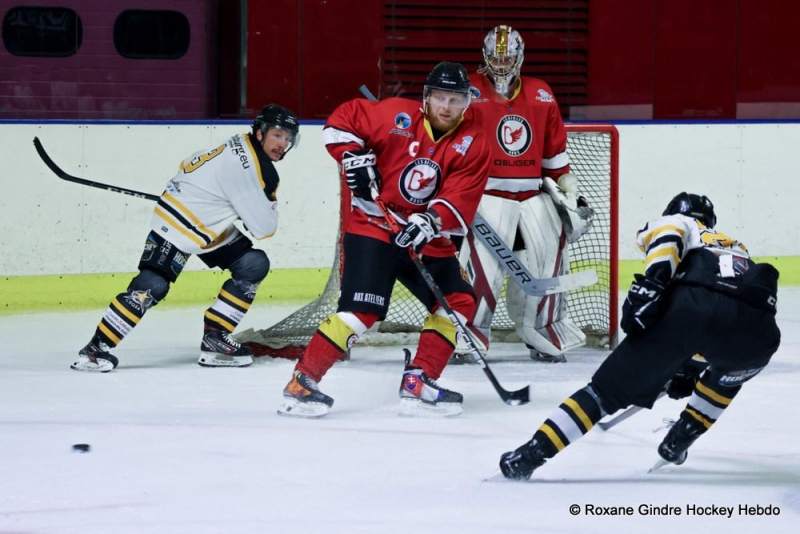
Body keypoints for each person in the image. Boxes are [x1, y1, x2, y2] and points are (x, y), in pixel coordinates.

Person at [499, 192, 781, 479]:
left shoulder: (680, 222)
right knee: (728, 375)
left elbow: (671, 238)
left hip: (691, 312)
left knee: (601, 395)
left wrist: (651, 287)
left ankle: (530, 455)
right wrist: (689, 365)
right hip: (758, 335)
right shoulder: (737, 247)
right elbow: (727, 315)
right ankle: (680, 438)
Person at [277, 61, 490, 418]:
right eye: (440, 98)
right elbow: (340, 121)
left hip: (423, 237)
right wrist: (352, 157)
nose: (446, 108)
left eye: (455, 100)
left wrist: (430, 220)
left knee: (458, 300)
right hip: (372, 226)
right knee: (364, 311)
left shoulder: (475, 142)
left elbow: (461, 195)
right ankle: (302, 382)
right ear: (427, 97)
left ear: (467, 102)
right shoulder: (395, 115)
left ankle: (419, 380)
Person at [71, 104, 300, 372]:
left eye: (288, 138)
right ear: (260, 133)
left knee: (252, 263)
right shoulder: (258, 171)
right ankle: (95, 350)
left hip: (202, 219)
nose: (283, 143)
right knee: (153, 285)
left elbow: (188, 165)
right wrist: (244, 209)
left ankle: (215, 338)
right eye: (277, 135)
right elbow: (265, 228)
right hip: (179, 223)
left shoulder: (239, 142)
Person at [456, 25, 593, 363]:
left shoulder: (542, 93)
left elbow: (555, 160)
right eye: (496, 57)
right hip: (486, 197)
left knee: (545, 266)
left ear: (520, 57)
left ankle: (541, 330)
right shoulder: (468, 90)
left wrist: (570, 192)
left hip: (533, 197)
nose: (501, 64)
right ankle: (468, 331)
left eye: (508, 57)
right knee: (481, 270)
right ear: (485, 57)